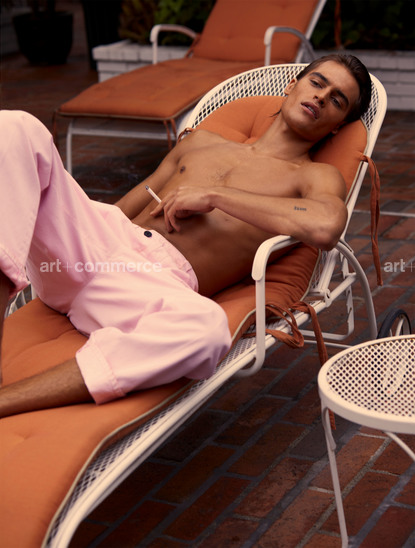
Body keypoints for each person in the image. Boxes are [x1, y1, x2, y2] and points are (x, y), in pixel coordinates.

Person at [0, 54, 371, 418]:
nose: (322, 96)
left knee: (207, 331)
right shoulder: (200, 142)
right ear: (292, 85)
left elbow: (325, 225)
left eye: (337, 100)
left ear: (337, 126)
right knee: (18, 128)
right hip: (97, 243)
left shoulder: (314, 176)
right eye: (317, 82)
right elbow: (122, 209)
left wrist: (215, 196)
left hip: (148, 285)